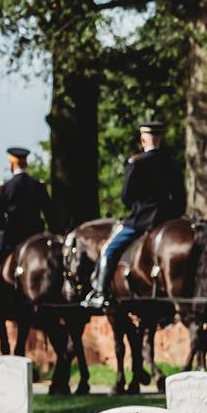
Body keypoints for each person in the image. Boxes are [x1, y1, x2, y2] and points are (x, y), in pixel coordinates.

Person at [81, 121, 185, 309]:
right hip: (168, 220)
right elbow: (180, 198)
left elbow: (126, 197)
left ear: (142, 140)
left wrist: (138, 208)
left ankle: (100, 292)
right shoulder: (173, 162)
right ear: (160, 138)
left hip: (141, 220)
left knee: (109, 249)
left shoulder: (136, 163)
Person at [0, 146, 55, 317]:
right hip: (36, 235)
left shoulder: (6, 187)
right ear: (26, 163)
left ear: (12, 164)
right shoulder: (38, 186)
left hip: (12, 236)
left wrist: (2, 229)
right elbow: (50, 213)